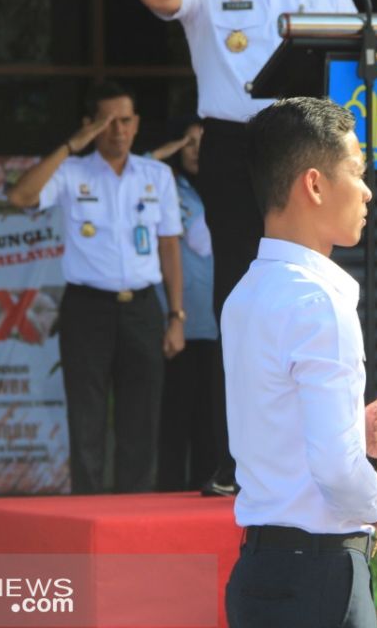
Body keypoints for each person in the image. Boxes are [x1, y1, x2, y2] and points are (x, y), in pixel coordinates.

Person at [137, 0, 356, 494]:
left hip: (312, 142)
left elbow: (359, 56)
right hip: (238, 147)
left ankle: (326, 453)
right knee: (242, 297)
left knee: (319, 294)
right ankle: (237, 459)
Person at [222, 98, 377, 627]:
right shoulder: (319, 300)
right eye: (357, 171)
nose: (369, 190)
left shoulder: (247, 292)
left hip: (260, 569)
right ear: (315, 184)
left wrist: (358, 432)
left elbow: (277, 430)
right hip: (321, 571)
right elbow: (334, 470)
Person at [7, 81, 184, 495]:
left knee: (140, 417)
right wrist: (72, 145)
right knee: (86, 416)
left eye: (125, 121)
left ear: (137, 123)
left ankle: (134, 514)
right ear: (90, 127)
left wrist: (176, 316)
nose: (117, 130)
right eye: (106, 123)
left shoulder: (156, 175)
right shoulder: (70, 172)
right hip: (87, 307)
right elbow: (20, 195)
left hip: (141, 306)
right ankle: (86, 510)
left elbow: (169, 247)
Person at [148, 120, 221, 492]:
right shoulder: (168, 186)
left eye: (201, 143)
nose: (194, 150)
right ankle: (169, 498)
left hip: (218, 324)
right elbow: (140, 163)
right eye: (188, 143)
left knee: (210, 422)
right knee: (174, 420)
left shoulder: (226, 189)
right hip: (179, 324)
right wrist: (169, 148)